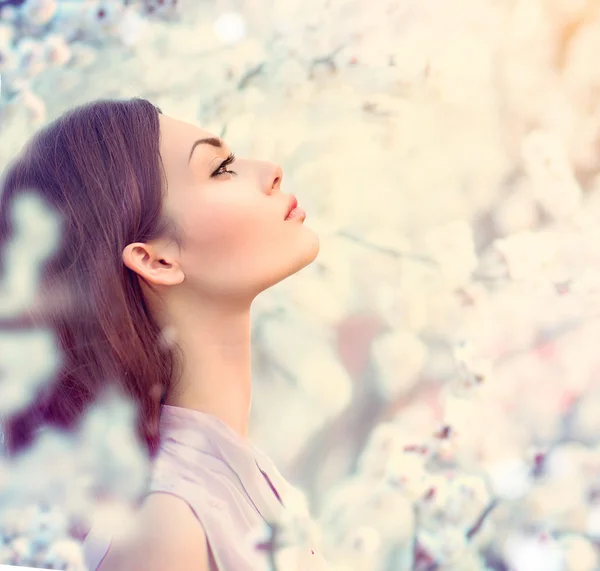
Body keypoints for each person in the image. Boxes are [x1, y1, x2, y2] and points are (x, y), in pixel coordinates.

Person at [0, 98, 326, 570]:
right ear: (156, 259)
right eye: (222, 168)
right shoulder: (169, 526)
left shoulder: (238, 479)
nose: (271, 171)